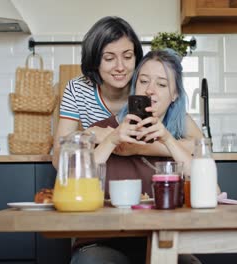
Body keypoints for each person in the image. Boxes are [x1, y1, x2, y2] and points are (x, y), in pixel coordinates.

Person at [70, 49, 203, 264]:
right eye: (143, 82)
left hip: (160, 241)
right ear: (134, 88)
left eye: (161, 85)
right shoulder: (104, 130)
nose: (150, 90)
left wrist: (168, 141)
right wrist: (112, 140)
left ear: (174, 95)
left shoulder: (177, 141)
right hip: (102, 242)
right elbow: (73, 183)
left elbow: (209, 189)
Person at [53, 16, 202, 170]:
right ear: (95, 61)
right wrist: (90, 136)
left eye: (127, 56)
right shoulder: (78, 89)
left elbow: (199, 145)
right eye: (109, 58)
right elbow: (60, 159)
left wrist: (137, 147)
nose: (120, 67)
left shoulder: (145, 87)